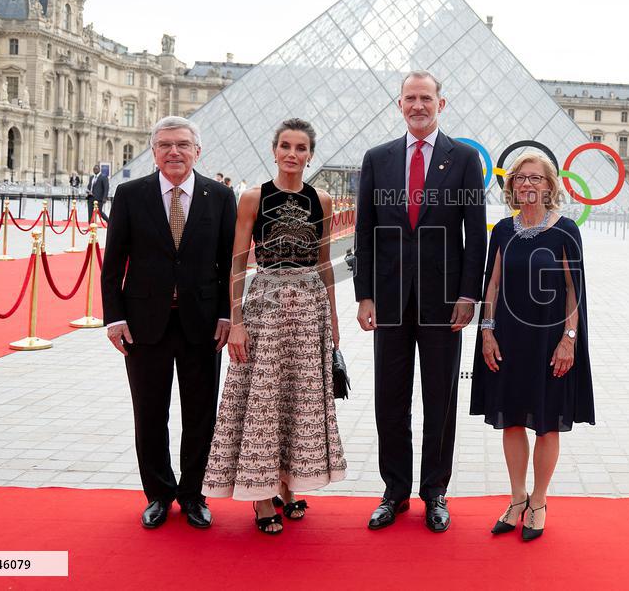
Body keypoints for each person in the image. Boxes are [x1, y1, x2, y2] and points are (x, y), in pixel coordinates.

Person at [354, 70, 486, 533]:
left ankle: (435, 492)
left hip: (445, 302)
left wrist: (469, 294)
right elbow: (364, 232)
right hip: (388, 300)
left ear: (441, 104)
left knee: (440, 398)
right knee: (390, 398)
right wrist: (365, 294)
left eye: (425, 98)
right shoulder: (377, 159)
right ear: (399, 104)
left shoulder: (465, 159)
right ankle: (394, 491)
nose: (417, 105)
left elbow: (475, 233)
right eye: (410, 98)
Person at [203, 118, 346, 535]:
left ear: (310, 155)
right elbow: (237, 263)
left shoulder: (321, 199)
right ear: (274, 150)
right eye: (285, 146)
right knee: (263, 397)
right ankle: (261, 495)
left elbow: (323, 263)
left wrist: (333, 319)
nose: (292, 154)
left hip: (308, 309)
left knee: (297, 397)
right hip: (265, 303)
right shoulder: (252, 197)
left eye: (300, 148)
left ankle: (288, 483)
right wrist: (237, 321)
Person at [101, 116, 237, 530]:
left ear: (199, 150)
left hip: (203, 324)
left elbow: (229, 263)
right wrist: (114, 319)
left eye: (182, 144)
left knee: (200, 415)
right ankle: (158, 494)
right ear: (154, 150)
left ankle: (193, 495)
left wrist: (228, 314)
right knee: (149, 413)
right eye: (164, 145)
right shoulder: (129, 194)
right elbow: (113, 265)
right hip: (144, 324)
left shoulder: (221, 196)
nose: (173, 152)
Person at [471, 153, 594, 542]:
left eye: (535, 179)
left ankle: (538, 501)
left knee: (546, 422)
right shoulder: (502, 231)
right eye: (520, 178)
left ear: (549, 185)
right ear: (511, 186)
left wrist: (568, 340)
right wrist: (487, 333)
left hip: (549, 340)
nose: (527, 184)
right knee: (509, 419)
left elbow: (575, 291)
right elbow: (491, 285)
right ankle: (517, 497)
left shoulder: (566, 230)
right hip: (508, 337)